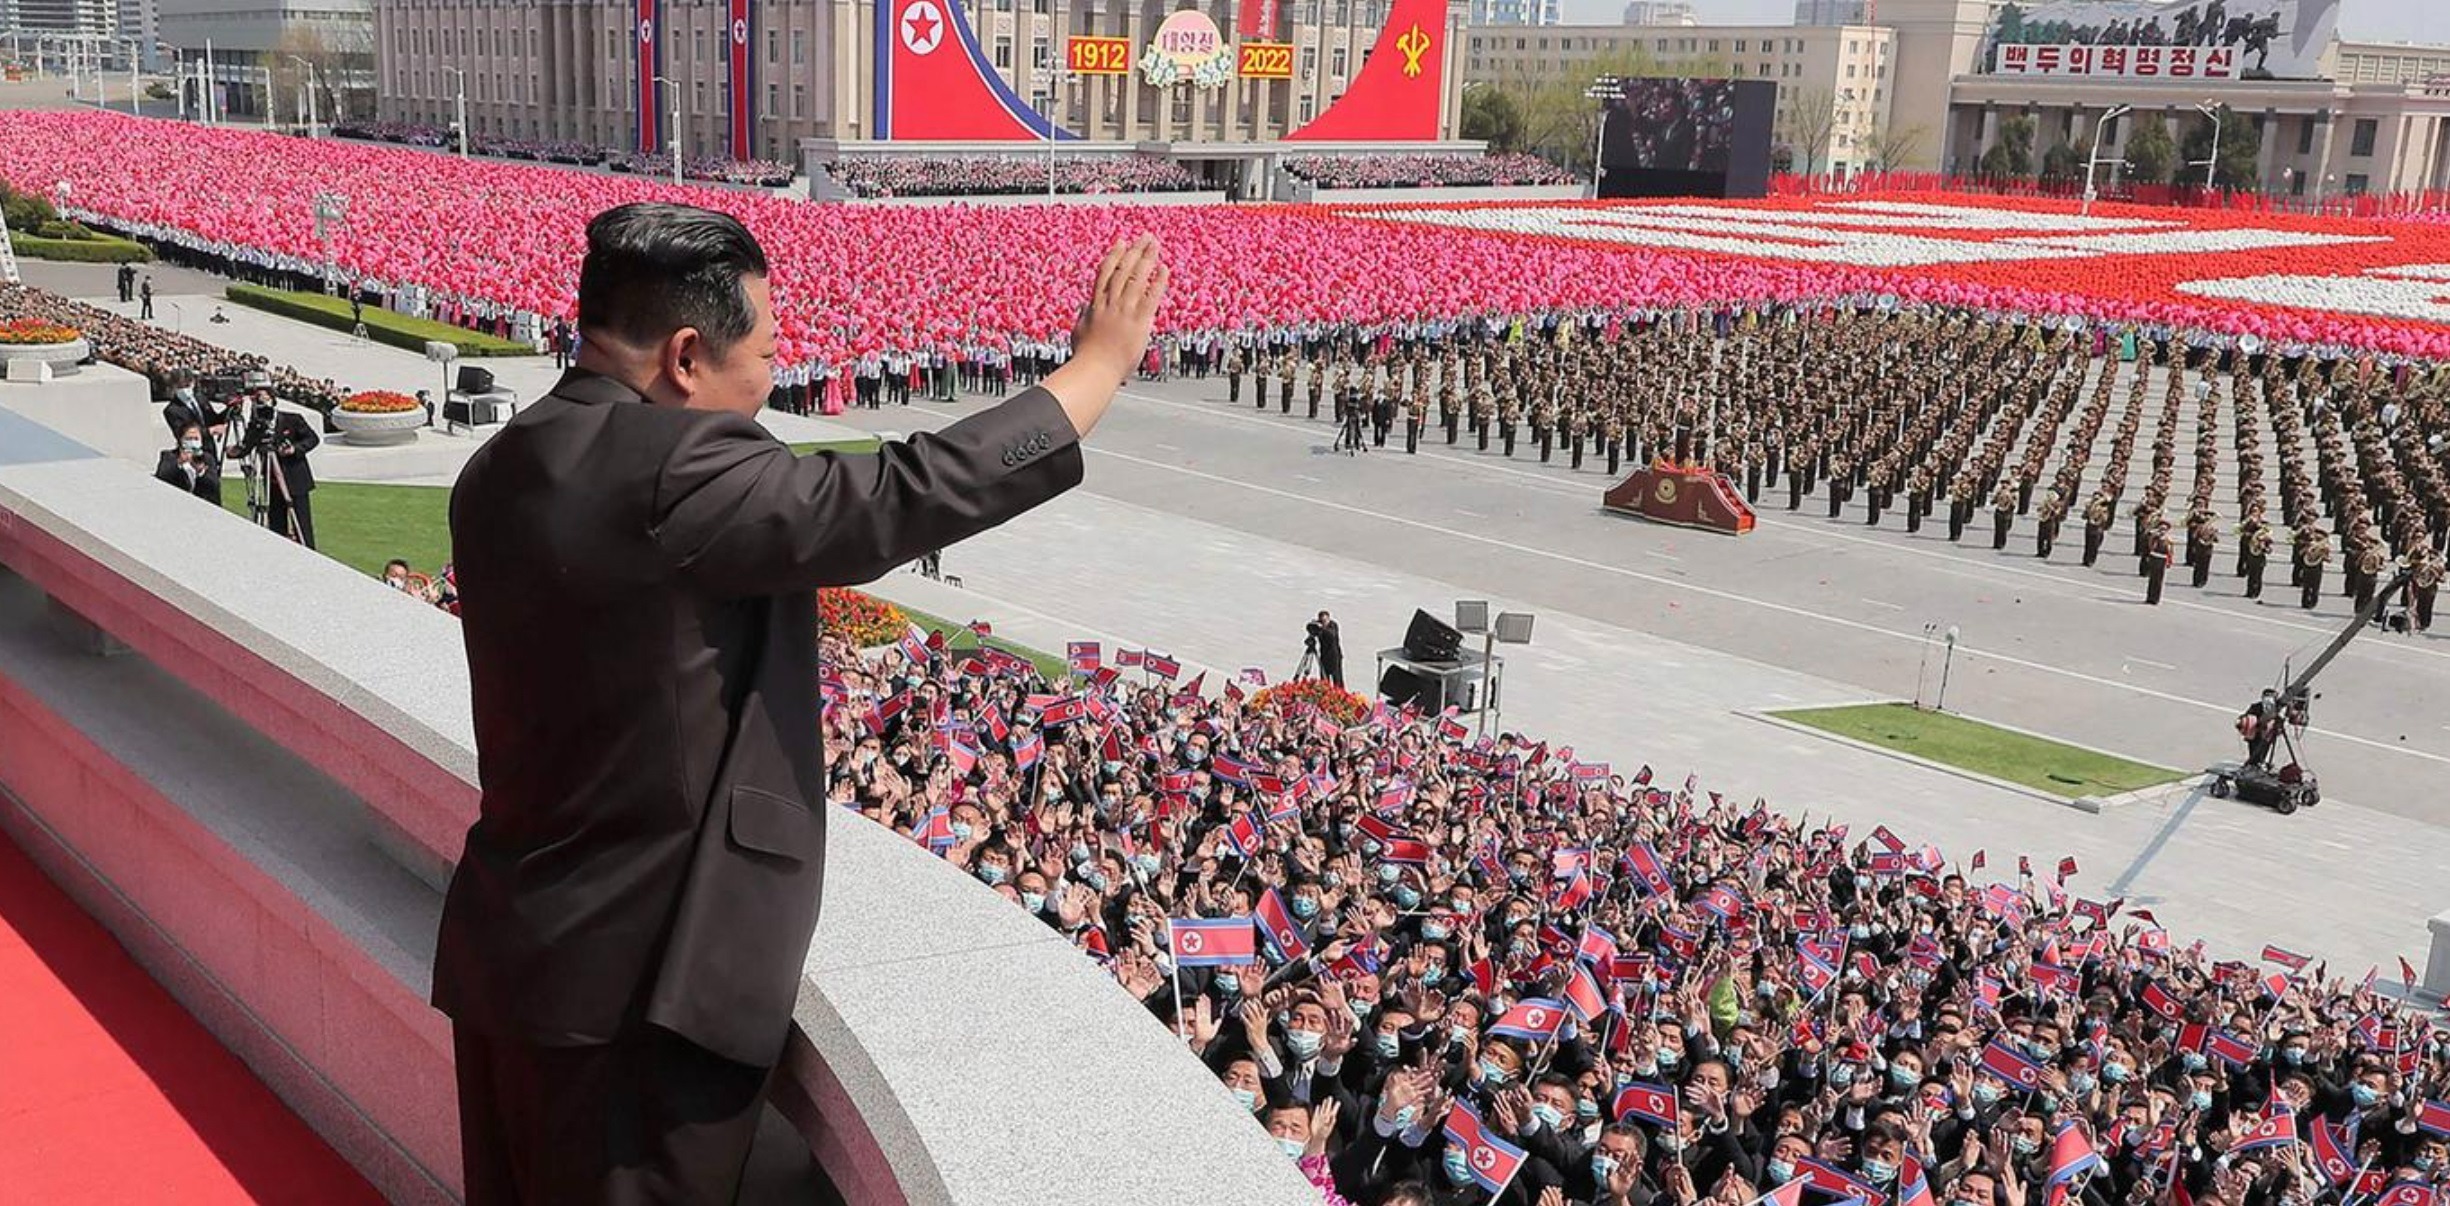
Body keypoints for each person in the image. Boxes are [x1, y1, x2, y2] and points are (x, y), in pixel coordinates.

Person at [430, 203, 1167, 1205]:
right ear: (686, 356)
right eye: (768, 355)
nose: (772, 381)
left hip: (520, 951)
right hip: (640, 995)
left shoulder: (504, 461)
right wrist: (1094, 371)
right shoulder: (669, 469)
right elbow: (896, 497)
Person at [230, 384, 321, 548]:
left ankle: (308, 551)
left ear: (273, 400)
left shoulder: (293, 420)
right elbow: (247, 446)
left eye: (265, 399)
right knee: (277, 523)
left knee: (302, 523)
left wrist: (294, 449)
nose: (262, 403)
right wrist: (234, 452)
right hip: (272, 481)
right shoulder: (256, 425)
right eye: (258, 400)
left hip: (295, 478)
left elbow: (312, 439)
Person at [154, 421, 222, 504]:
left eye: (196, 439)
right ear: (181, 440)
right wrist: (180, 463)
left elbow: (214, 486)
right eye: (188, 439)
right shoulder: (169, 456)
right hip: (177, 503)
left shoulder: (207, 459)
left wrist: (201, 471)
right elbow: (162, 477)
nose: (192, 442)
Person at [1306, 609, 1344, 687]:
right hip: (1324, 656)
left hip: (1335, 657)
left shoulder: (1333, 625)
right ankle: (1325, 692)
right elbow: (1308, 640)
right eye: (1321, 621)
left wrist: (1322, 627)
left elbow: (1332, 636)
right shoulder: (1319, 627)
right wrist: (1312, 633)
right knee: (1324, 679)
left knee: (1337, 679)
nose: (1323, 622)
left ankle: (1339, 693)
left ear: (1328, 619)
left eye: (1325, 621)